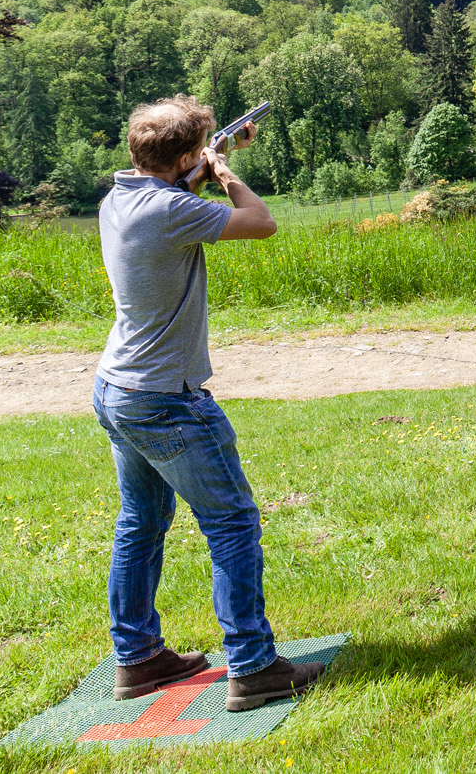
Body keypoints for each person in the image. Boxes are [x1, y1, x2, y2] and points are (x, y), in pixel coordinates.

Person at [92, 96, 324, 711]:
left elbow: (167, 188)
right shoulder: (169, 209)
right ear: (187, 157)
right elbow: (260, 221)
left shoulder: (118, 199)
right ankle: (252, 667)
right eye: (196, 152)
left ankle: (137, 658)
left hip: (118, 388)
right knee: (232, 524)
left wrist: (203, 160)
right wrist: (224, 172)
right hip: (167, 399)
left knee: (141, 523)